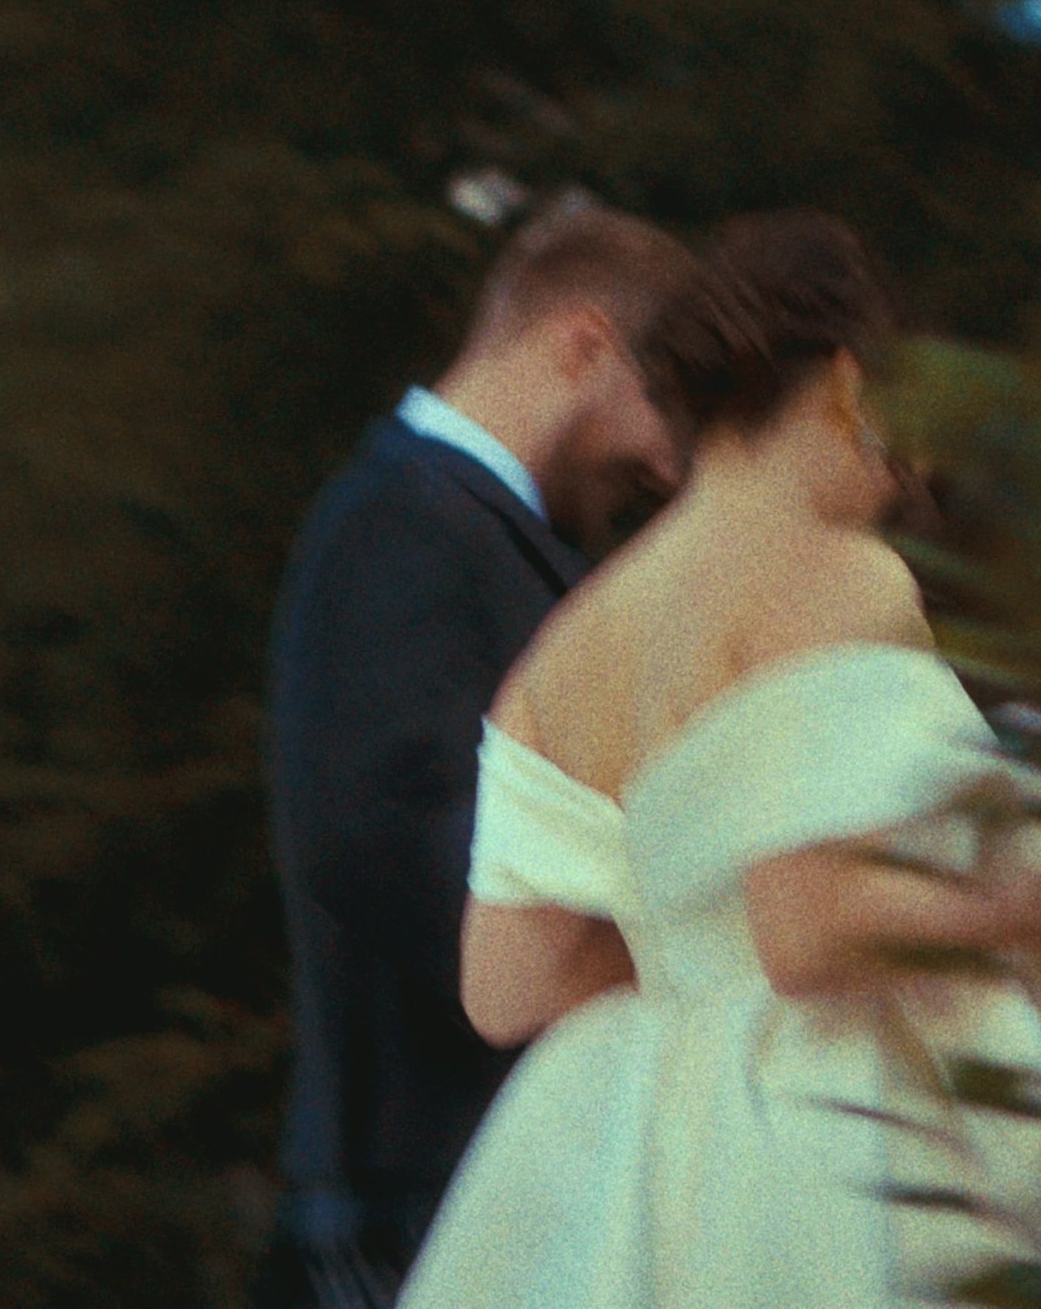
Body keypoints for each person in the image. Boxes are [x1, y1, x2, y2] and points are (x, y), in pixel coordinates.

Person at [397, 211, 1041, 1308]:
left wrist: (696, 935)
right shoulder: (839, 577)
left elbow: (506, 986)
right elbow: (810, 931)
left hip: (648, 1172)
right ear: (847, 386)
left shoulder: (559, 654)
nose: (907, 477)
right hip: (839, 1153)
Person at [256, 200, 698, 1309]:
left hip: (477, 1188)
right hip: (416, 1202)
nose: (671, 464)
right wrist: (666, 926)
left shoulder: (472, 529)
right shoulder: (400, 523)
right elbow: (382, 837)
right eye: (668, 406)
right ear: (584, 345)